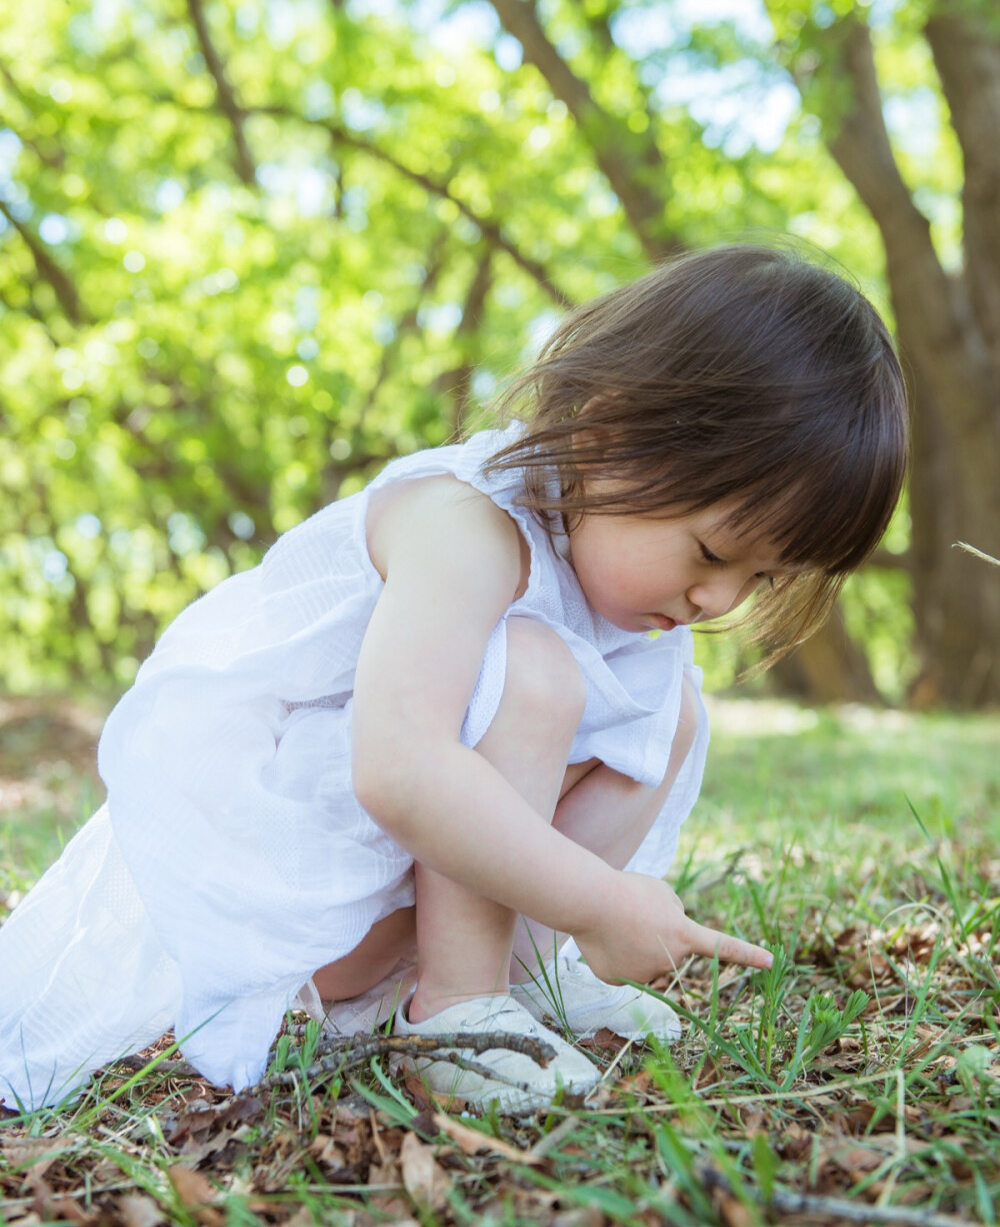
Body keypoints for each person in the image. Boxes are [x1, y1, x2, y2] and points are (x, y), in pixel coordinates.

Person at [0, 242, 909, 1115]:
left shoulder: (630, 595)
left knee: (668, 706)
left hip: (400, 898)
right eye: (712, 552)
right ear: (607, 434)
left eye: (761, 579)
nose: (717, 598)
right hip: (301, 900)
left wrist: (575, 921)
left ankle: (535, 973)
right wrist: (601, 901)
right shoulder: (462, 525)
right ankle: (455, 1008)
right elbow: (397, 769)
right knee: (538, 670)